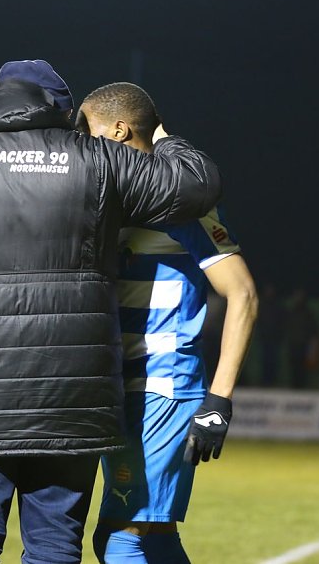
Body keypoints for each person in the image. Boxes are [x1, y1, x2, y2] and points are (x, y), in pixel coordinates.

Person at [0, 59, 223, 564]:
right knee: (54, 546)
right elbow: (197, 186)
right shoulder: (97, 160)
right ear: (60, 107)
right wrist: (163, 136)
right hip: (72, 400)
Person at [76, 82, 258, 563]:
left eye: (91, 134)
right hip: (120, 390)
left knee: (121, 537)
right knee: (153, 535)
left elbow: (241, 293)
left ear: (119, 130)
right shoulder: (110, 200)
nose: (85, 146)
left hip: (163, 389)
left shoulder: (182, 205)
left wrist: (218, 400)